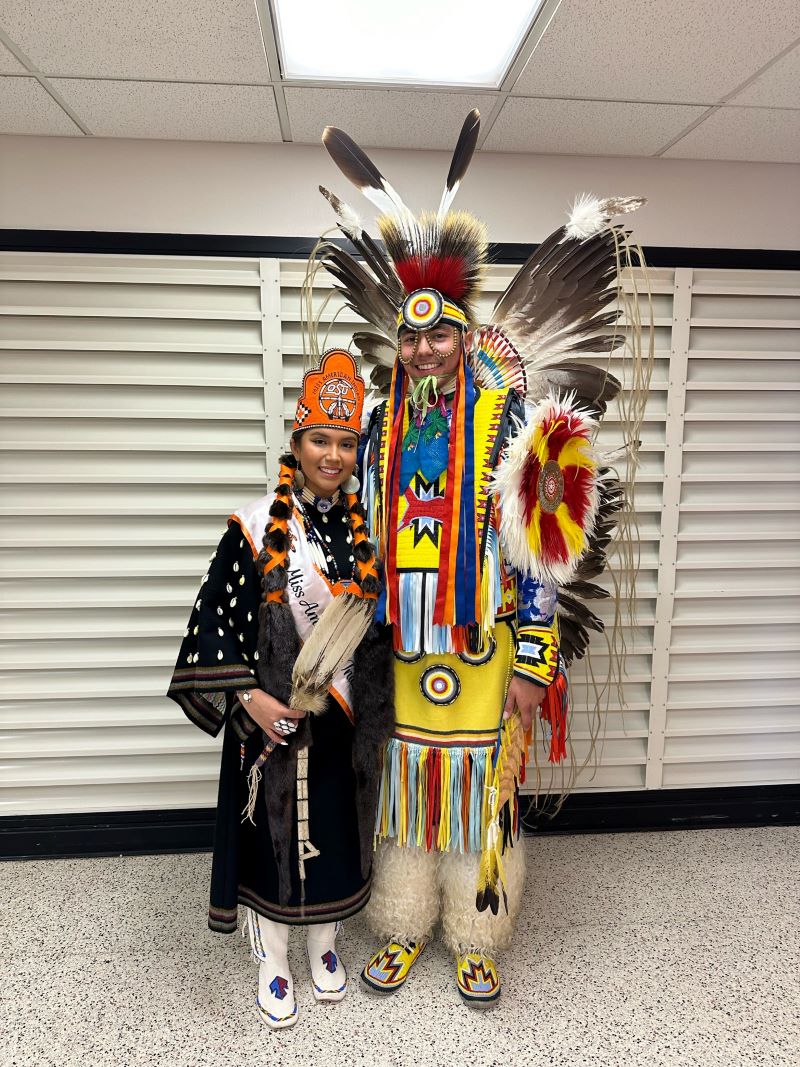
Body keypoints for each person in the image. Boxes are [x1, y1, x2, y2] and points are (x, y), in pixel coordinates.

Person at [315, 110, 649, 1005]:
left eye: (440, 334)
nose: (424, 348)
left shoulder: (511, 422)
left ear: (463, 335)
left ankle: (477, 930)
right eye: (412, 337)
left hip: (486, 645)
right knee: (409, 792)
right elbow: (371, 539)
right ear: (405, 345)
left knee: (481, 792)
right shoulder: (384, 429)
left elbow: (542, 554)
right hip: (413, 649)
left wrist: (536, 659)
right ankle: (403, 923)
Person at [167, 349, 394, 1029]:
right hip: (268, 722)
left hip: (339, 724)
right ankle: (273, 955)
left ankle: (324, 945)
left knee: (335, 832)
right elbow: (212, 621)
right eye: (320, 439)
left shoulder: (364, 533)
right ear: (295, 442)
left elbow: (375, 631)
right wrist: (249, 698)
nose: (333, 454)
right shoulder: (252, 526)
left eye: (346, 442)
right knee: (273, 840)